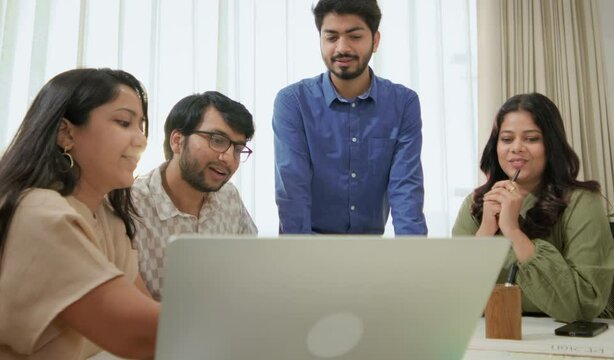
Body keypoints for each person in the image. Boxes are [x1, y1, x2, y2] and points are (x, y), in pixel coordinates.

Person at [0, 68, 158, 358]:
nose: (141, 140)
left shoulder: (109, 217)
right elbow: (139, 334)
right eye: (124, 122)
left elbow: (146, 314)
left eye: (141, 126)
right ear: (66, 133)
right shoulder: (40, 215)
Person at [452, 92, 614, 323]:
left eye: (531, 139)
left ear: (551, 145)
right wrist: (485, 233)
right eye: (507, 139)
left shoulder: (581, 202)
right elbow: (455, 299)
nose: (517, 148)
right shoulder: (477, 203)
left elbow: (582, 304)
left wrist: (513, 231)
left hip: (569, 336)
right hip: (494, 331)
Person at [273, 0, 427, 235]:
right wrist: (300, 261)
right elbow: (293, 192)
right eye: (331, 37)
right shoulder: (293, 102)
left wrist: (414, 263)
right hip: (309, 246)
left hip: (371, 250)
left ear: (375, 41)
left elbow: (406, 190)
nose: (342, 48)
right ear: (320, 40)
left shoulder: (403, 103)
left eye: (354, 36)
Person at [132, 91, 256, 300]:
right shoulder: (131, 204)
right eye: (217, 140)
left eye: (237, 149)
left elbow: (251, 269)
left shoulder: (229, 197)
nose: (228, 158)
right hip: (153, 331)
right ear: (178, 141)